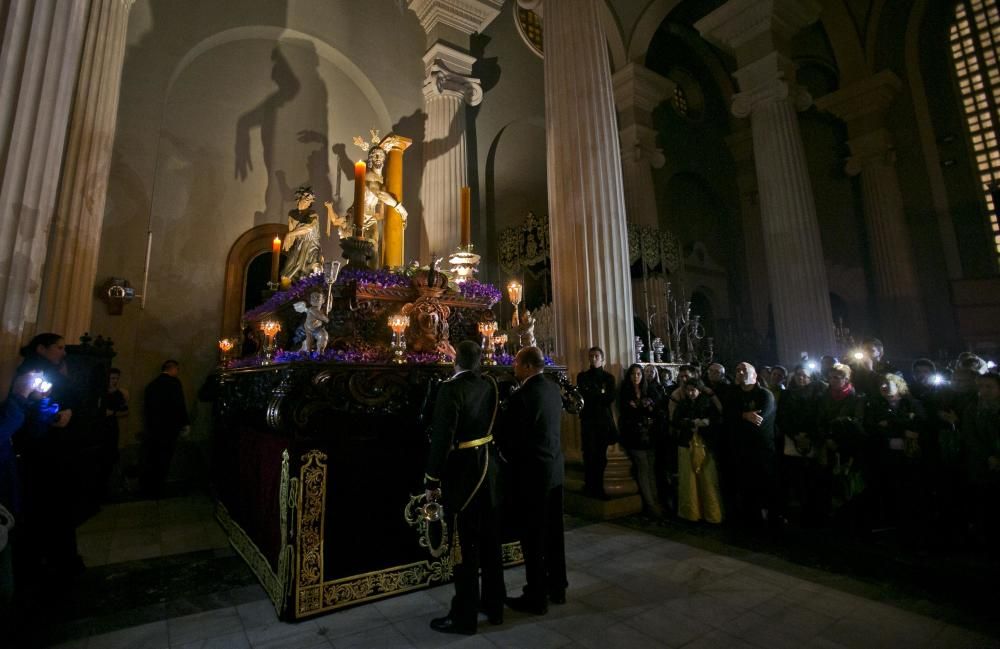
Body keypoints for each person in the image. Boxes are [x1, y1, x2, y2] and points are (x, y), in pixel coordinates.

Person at [425, 341, 504, 635]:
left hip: (464, 475)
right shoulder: (490, 385)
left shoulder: (449, 390)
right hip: (491, 471)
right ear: (479, 361)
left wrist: (432, 479)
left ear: (455, 361)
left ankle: (464, 616)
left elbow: (442, 439)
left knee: (465, 548)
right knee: (491, 543)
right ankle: (495, 606)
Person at [502, 346, 567, 615]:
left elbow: (509, 439)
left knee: (533, 537)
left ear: (528, 366)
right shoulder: (553, 389)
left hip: (532, 476)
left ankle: (536, 596)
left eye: (517, 363)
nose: (514, 367)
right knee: (554, 533)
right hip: (554, 470)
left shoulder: (522, 397)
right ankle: (558, 588)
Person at [13, 333, 81, 577]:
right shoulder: (33, 374)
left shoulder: (49, 370)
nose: (64, 352)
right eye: (59, 348)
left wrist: (67, 410)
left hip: (49, 447)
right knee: (46, 503)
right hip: (41, 450)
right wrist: (52, 414)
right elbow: (29, 406)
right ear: (41, 349)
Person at [723, 362, 777, 524]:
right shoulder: (733, 394)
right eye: (737, 370)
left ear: (754, 375)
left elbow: (758, 419)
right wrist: (744, 416)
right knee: (745, 484)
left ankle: (771, 516)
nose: (739, 372)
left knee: (765, 482)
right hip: (740, 447)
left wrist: (740, 417)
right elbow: (727, 416)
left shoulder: (764, 395)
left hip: (761, 448)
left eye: (744, 370)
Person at [672, 380, 723, 523]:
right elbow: (676, 421)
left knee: (707, 478)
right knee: (688, 479)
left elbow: (715, 419)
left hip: (704, 444)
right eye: (688, 390)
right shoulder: (683, 404)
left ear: (699, 390)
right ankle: (691, 512)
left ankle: (711, 513)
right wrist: (692, 423)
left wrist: (704, 423)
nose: (690, 393)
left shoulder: (707, 403)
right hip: (686, 443)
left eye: (693, 390)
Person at [618, 364, 662, 517]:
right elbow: (627, 413)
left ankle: (656, 501)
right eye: (633, 374)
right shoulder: (625, 392)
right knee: (643, 469)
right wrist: (641, 406)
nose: (635, 377)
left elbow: (656, 408)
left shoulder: (649, 390)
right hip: (634, 436)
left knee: (651, 469)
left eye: (638, 374)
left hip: (649, 435)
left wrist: (643, 406)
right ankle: (651, 504)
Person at [141, 360, 189, 499]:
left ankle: (148, 488)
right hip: (170, 428)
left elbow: (147, 408)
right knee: (165, 457)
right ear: (173, 369)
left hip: (154, 428)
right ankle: (158, 487)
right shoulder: (174, 384)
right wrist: (184, 423)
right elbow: (180, 404)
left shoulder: (152, 385)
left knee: (152, 456)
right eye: (177, 369)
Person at [576, 347, 616, 498]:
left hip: (602, 422)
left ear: (602, 359)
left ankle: (598, 487)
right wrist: (599, 393)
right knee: (588, 454)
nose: (593, 358)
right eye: (591, 356)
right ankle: (589, 485)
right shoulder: (582, 376)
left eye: (596, 356)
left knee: (600, 456)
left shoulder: (609, 378)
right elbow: (582, 396)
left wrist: (594, 394)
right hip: (587, 420)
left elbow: (609, 398)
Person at [281, 186, 338, 282]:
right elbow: (292, 231)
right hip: (298, 245)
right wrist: (290, 242)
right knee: (287, 273)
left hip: (311, 245)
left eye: (311, 200)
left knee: (313, 269)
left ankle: (314, 290)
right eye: (307, 197)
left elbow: (308, 228)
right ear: (299, 197)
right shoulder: (292, 213)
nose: (308, 201)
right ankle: (285, 293)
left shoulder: (312, 213)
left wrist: (289, 235)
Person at [97, 368, 129, 498]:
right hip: (100, 428)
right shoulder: (100, 393)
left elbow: (125, 411)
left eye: (116, 378)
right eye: (112, 378)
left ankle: (105, 487)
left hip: (111, 428)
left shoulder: (119, 394)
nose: (114, 381)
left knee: (110, 456)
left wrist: (113, 413)